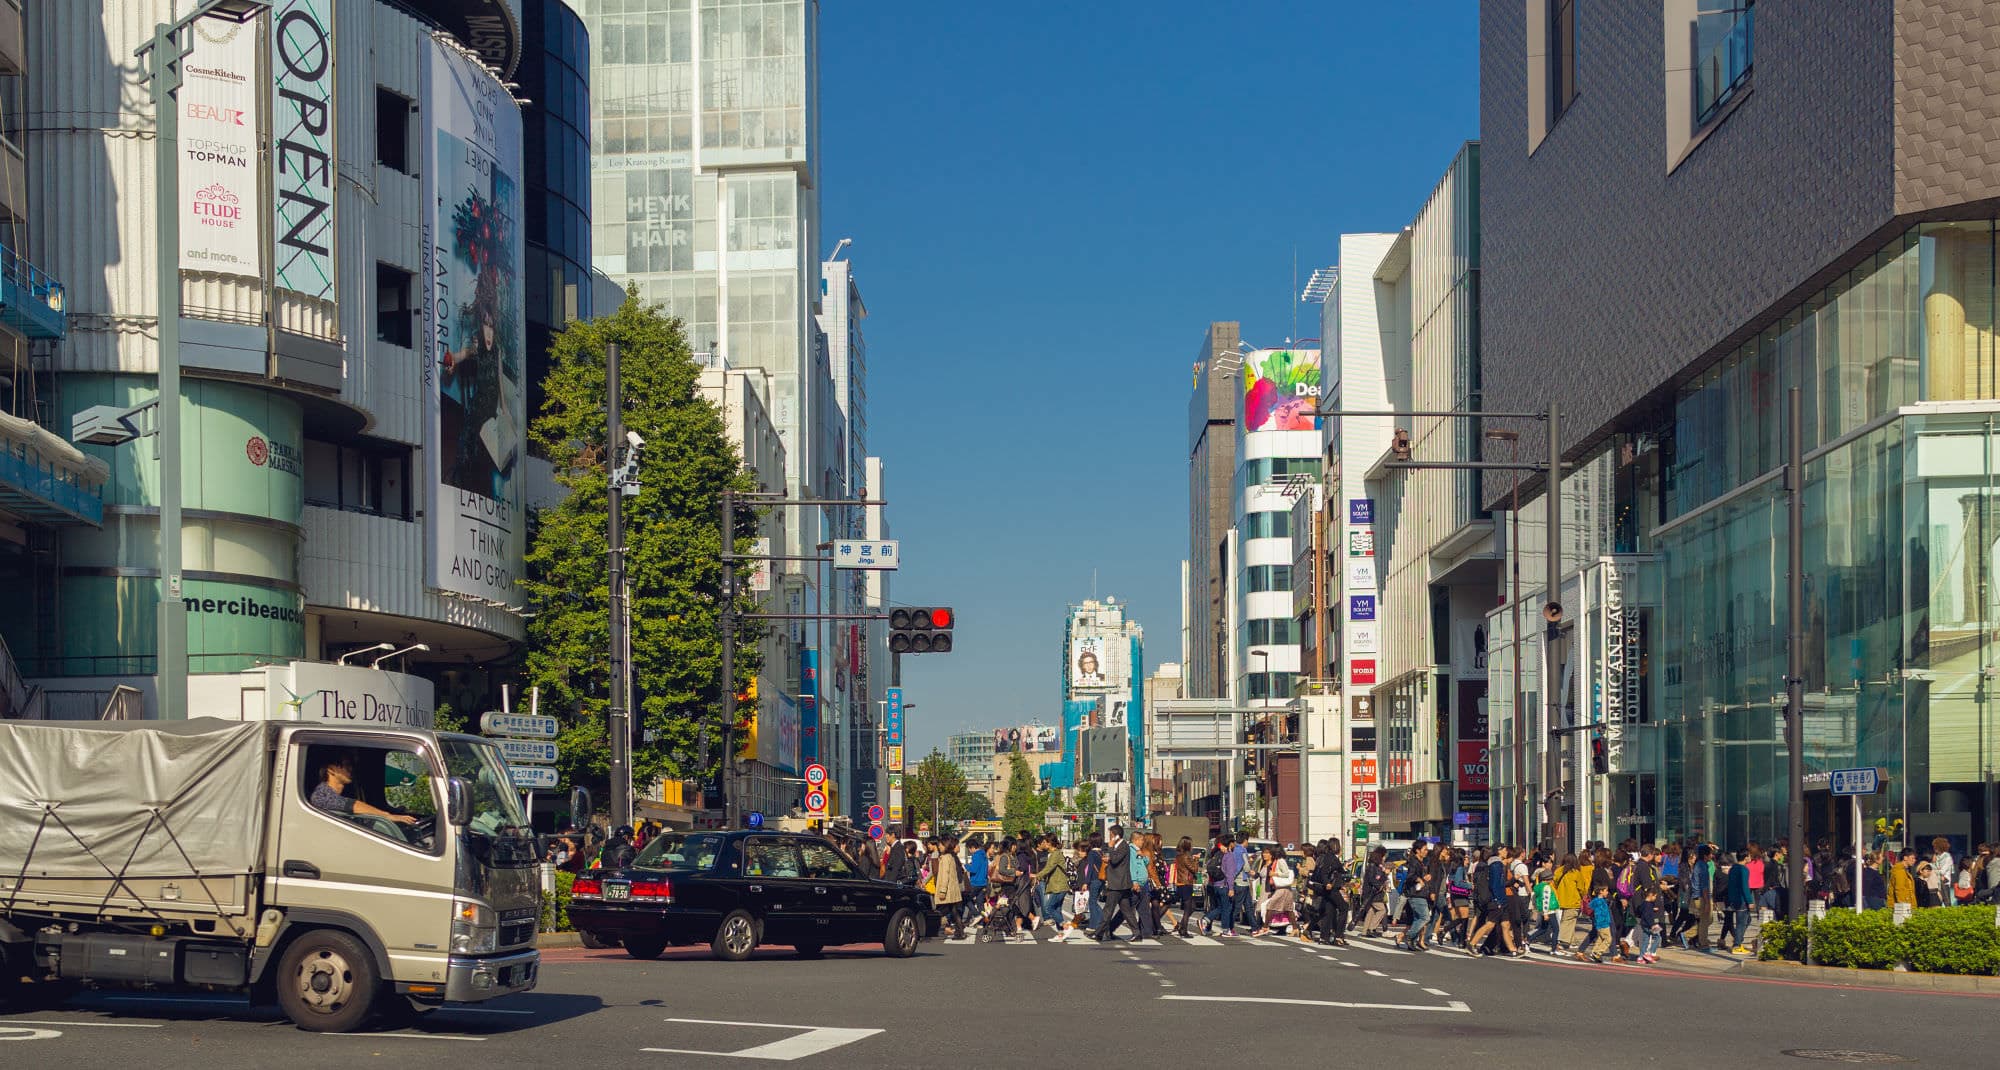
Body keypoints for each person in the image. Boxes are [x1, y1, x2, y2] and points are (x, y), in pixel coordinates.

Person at [310, 752, 419, 827]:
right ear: (331, 770)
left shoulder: (343, 792)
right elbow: (352, 805)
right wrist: (388, 816)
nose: (351, 769)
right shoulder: (321, 794)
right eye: (346, 765)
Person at [1093, 825, 1137, 942]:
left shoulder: (1123, 846)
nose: (1109, 836)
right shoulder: (1119, 846)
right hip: (1119, 882)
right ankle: (1137, 933)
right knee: (1126, 910)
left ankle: (1098, 933)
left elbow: (1116, 859)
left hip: (1119, 883)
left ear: (1116, 835)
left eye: (1111, 834)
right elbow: (1114, 858)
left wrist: (1111, 848)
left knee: (1108, 909)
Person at [1252, 846, 1295, 936]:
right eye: (1264, 853)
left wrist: (1274, 874)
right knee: (1282, 909)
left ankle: (1264, 927)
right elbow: (1261, 876)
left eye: (1268, 852)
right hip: (1265, 888)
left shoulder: (1279, 861)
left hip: (1275, 889)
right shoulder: (1266, 863)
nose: (1265, 854)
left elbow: (1286, 873)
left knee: (1272, 908)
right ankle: (1292, 928)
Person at [1037, 835, 1072, 940]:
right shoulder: (1053, 854)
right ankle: (1061, 934)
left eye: (1046, 842)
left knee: (1049, 907)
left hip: (1059, 885)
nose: (1044, 844)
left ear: (1050, 843)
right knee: (1057, 909)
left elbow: (1048, 868)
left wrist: (1037, 876)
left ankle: (1065, 925)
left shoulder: (1055, 854)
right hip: (1057, 885)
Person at [1169, 837, 1200, 937]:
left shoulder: (1179, 856)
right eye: (1191, 844)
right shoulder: (1186, 857)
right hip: (1186, 883)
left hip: (1181, 883)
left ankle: (1182, 926)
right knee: (1188, 908)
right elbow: (1194, 869)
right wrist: (1196, 860)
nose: (1192, 846)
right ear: (1187, 845)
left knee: (1192, 906)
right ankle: (1183, 930)